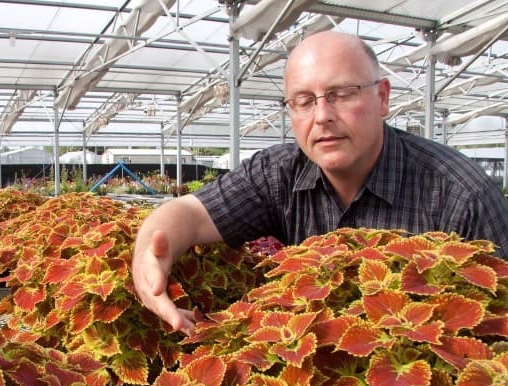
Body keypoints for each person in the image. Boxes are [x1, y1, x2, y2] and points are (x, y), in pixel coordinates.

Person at [132, 31, 508, 336]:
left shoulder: (462, 197)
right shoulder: (279, 173)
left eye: (342, 94)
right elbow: (189, 213)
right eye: (304, 101)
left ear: (382, 97)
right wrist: (150, 256)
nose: (323, 116)